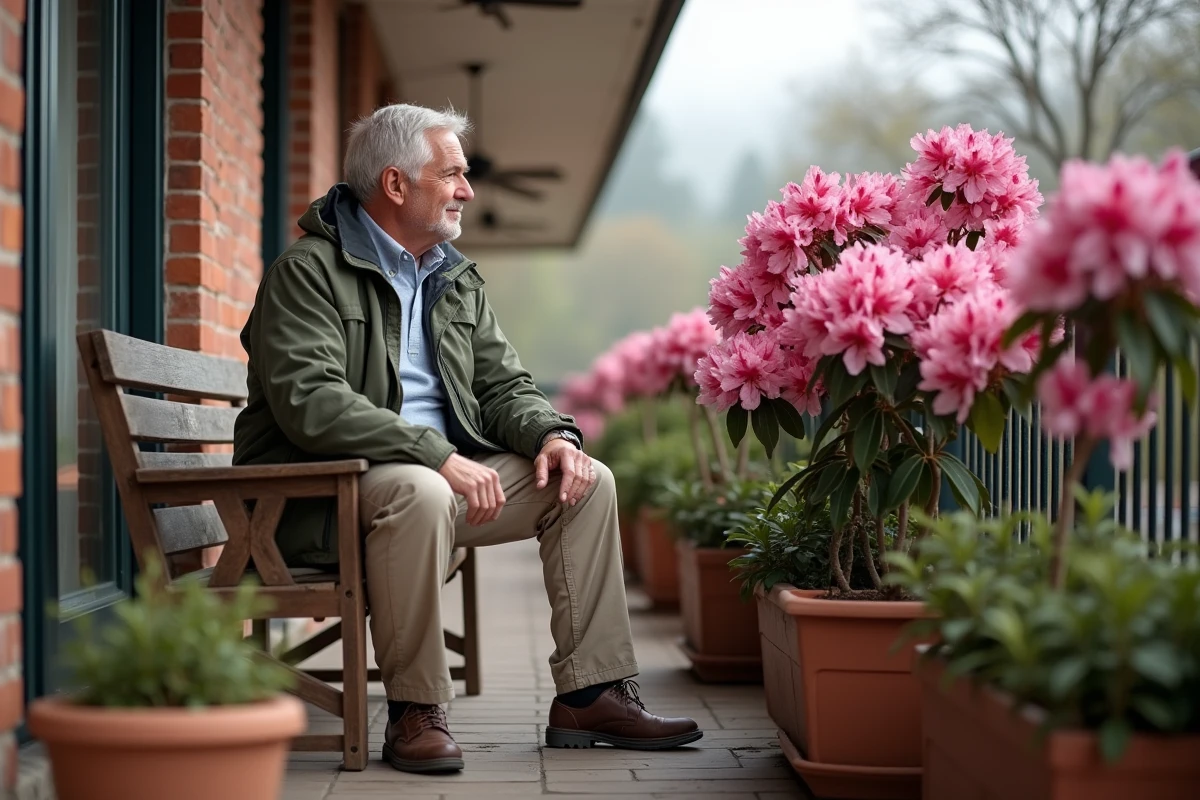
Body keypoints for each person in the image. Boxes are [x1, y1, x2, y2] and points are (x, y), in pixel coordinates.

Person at [233, 104, 701, 774]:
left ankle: (591, 693)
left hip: (434, 481)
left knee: (586, 482)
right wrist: (438, 456)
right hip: (316, 495)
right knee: (421, 491)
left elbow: (505, 383)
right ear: (396, 185)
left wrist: (552, 435)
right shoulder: (308, 272)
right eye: (451, 173)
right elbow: (314, 404)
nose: (467, 190)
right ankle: (415, 712)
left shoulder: (452, 278)